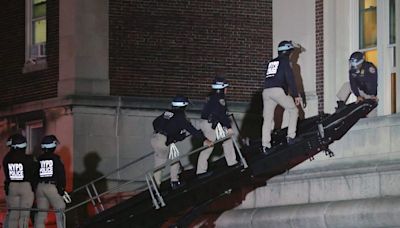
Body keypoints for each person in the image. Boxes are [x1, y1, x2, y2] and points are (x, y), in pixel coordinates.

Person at [151, 95, 213, 189]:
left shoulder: (168, 113)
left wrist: (169, 135)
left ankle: (156, 186)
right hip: (164, 141)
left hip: (155, 138)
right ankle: (174, 182)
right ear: (183, 106)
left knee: (172, 158)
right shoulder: (180, 116)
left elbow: (155, 122)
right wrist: (205, 140)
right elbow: (191, 130)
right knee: (163, 162)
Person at [262, 40, 302, 155]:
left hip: (266, 91)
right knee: (293, 110)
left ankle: (265, 145)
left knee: (268, 119)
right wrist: (295, 95)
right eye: (291, 52)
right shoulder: (285, 61)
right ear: (287, 51)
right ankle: (291, 136)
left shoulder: (272, 62)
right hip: (276, 91)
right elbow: (290, 78)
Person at [196, 76, 238, 177]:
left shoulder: (212, 96)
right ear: (222, 88)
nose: (227, 90)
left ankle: (232, 162)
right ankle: (201, 172)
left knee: (227, 140)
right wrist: (228, 127)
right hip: (210, 125)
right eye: (226, 88)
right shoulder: (220, 98)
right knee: (208, 146)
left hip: (211, 123)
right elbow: (221, 114)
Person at [2, 133, 35, 228]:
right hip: (26, 187)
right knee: (24, 215)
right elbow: (33, 173)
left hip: (12, 186)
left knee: (13, 214)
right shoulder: (28, 159)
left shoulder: (7, 158)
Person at [34, 135, 67, 228]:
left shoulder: (39, 159)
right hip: (51, 186)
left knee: (41, 213)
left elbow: (34, 174)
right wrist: (62, 188)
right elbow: (61, 174)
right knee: (60, 208)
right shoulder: (56, 158)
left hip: (40, 187)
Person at [336, 51, 378, 116]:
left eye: (357, 65)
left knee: (372, 116)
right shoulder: (352, 70)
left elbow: (373, 82)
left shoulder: (369, 67)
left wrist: (373, 94)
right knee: (347, 85)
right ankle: (341, 104)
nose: (355, 66)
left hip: (370, 93)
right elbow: (352, 84)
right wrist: (358, 95)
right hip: (360, 90)